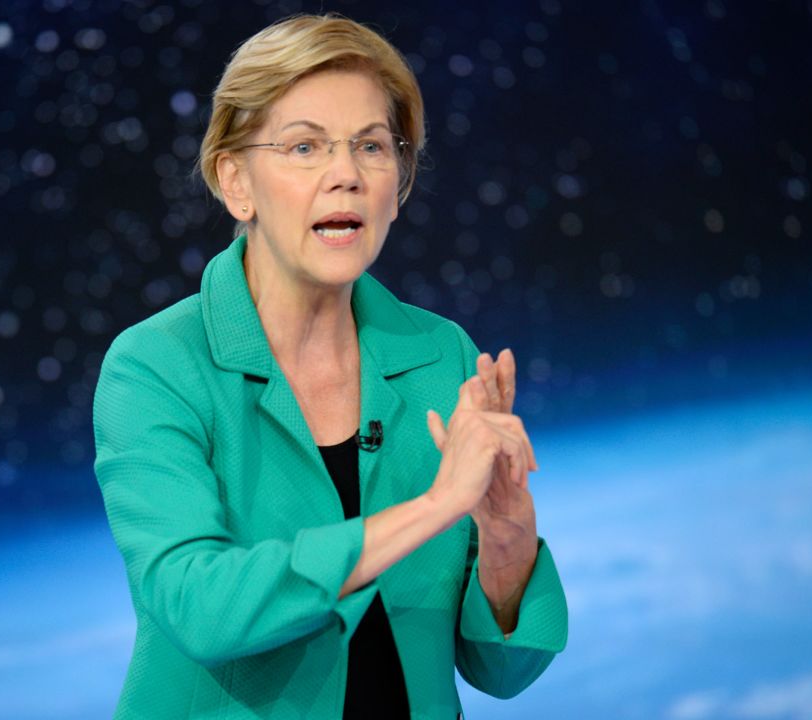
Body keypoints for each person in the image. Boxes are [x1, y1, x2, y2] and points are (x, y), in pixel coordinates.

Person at [92, 14, 567, 719]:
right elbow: (200, 608)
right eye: (305, 146)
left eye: (371, 147)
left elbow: (502, 668)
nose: (345, 175)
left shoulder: (443, 356)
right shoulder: (157, 366)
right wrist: (436, 507)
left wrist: (504, 535)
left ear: (398, 183)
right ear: (235, 182)